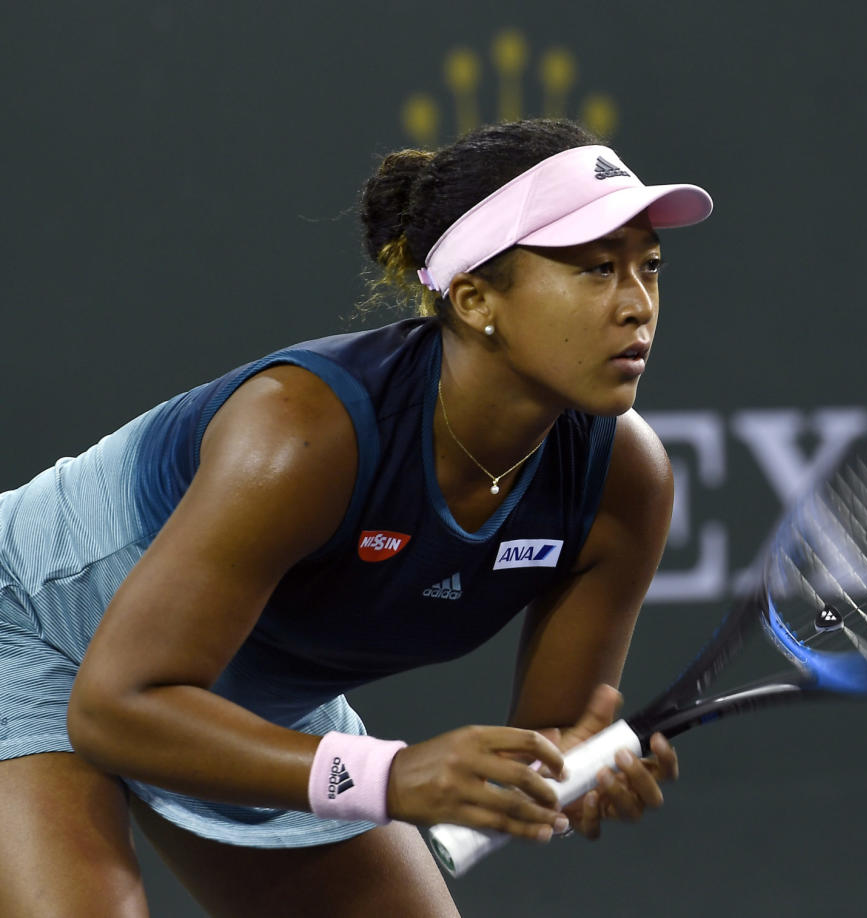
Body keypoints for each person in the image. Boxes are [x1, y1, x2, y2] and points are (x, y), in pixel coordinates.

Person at [0, 117, 713, 917]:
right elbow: (113, 710)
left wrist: (572, 778)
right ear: (477, 299)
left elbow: (546, 744)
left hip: (239, 700)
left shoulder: (625, 480)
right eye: (593, 271)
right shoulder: (304, 434)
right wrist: (390, 776)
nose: (638, 305)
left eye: (647, 268)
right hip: (28, 630)